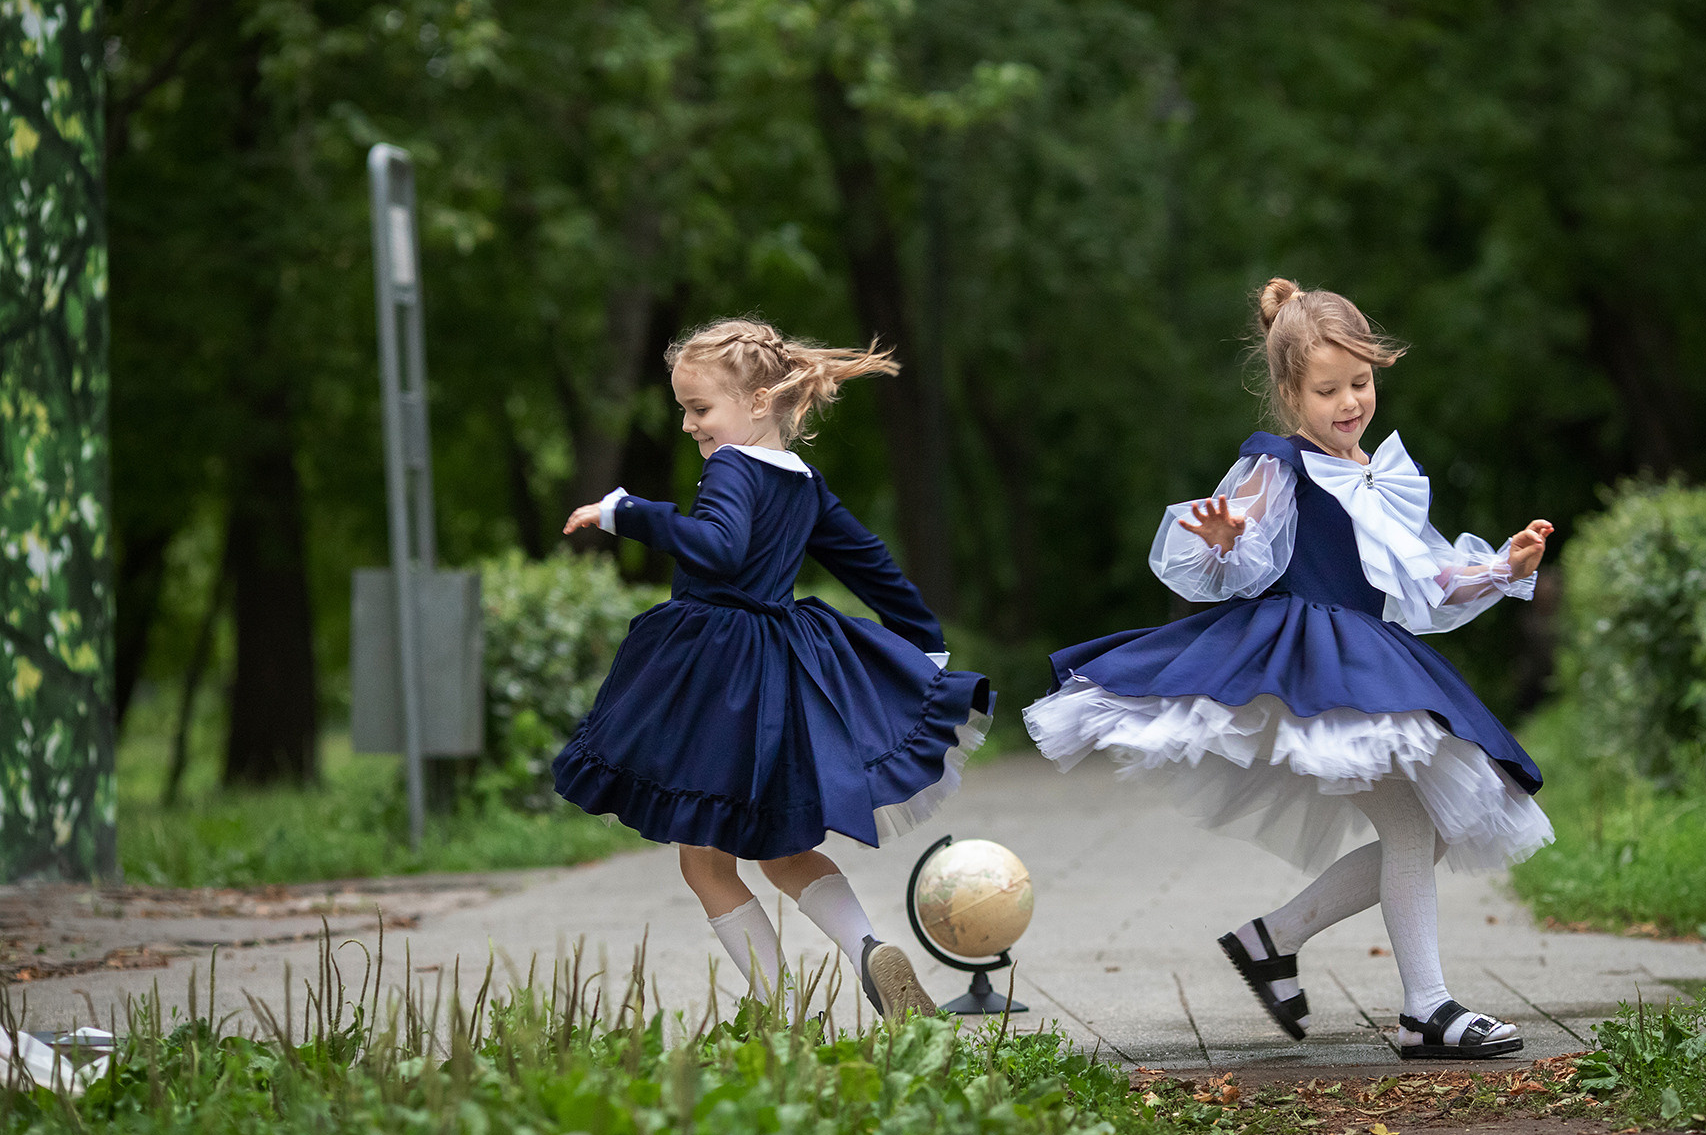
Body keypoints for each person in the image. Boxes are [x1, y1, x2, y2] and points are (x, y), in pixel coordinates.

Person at [1024, 281, 1554, 1060]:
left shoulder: (1378, 469)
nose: (1349, 403)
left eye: (1361, 384)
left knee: (1425, 828)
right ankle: (1424, 1007)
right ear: (1287, 392)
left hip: (1371, 652)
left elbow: (1428, 581)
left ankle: (1277, 941)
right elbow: (1235, 564)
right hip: (1313, 659)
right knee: (1416, 823)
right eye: (1328, 390)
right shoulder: (1276, 466)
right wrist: (1221, 540)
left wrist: (1503, 568)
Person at [554, 317, 990, 1022]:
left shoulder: (731, 466)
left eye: (700, 409)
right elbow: (870, 563)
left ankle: (773, 1008)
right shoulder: (803, 481)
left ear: (759, 403)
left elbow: (720, 550)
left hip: (714, 677)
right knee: (784, 849)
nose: (691, 427)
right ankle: (869, 948)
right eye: (684, 411)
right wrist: (924, 644)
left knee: (703, 859)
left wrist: (627, 513)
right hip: (778, 678)